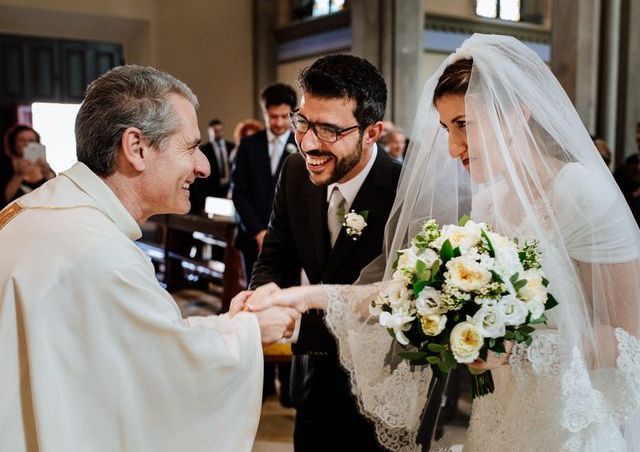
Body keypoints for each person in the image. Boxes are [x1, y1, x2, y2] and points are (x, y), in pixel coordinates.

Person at [247, 35, 640, 451]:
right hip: (501, 413)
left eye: (463, 125)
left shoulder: (580, 191)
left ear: (518, 114)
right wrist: (305, 296)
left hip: (568, 420)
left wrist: (515, 350)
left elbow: (629, 338)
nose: (452, 149)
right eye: (445, 128)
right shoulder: (488, 201)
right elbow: (409, 296)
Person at [0, 65, 298, 452]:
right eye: (190, 148)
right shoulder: (100, 254)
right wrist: (250, 332)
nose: (204, 166)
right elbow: (166, 376)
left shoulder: (35, 211)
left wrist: (230, 324)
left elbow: (145, 341)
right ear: (136, 147)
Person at [250, 54, 402, 451]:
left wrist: (294, 327)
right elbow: (276, 258)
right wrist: (265, 296)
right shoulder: (296, 174)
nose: (308, 143)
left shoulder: (405, 193)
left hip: (386, 399)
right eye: (303, 123)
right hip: (313, 385)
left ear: (372, 132)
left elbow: (400, 312)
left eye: (329, 130)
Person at [231, 84, 298, 406]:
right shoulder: (249, 145)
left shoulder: (300, 144)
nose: (280, 123)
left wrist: (275, 235)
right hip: (252, 237)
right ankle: (261, 380)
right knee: (255, 301)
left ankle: (287, 382)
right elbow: (239, 192)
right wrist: (259, 231)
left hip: (289, 241)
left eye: (286, 116)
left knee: (286, 304)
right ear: (264, 113)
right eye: (274, 116)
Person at [0, 124, 55, 207]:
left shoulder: (42, 164)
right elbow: (5, 198)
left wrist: (47, 172)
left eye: (31, 140)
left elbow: (55, 191)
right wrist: (18, 175)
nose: (26, 144)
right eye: (21, 140)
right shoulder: (5, 165)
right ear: (13, 143)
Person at [188, 118, 234, 213]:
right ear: (210, 132)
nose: (218, 133)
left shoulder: (231, 147)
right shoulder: (204, 149)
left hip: (229, 189)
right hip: (211, 190)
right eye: (215, 131)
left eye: (220, 130)